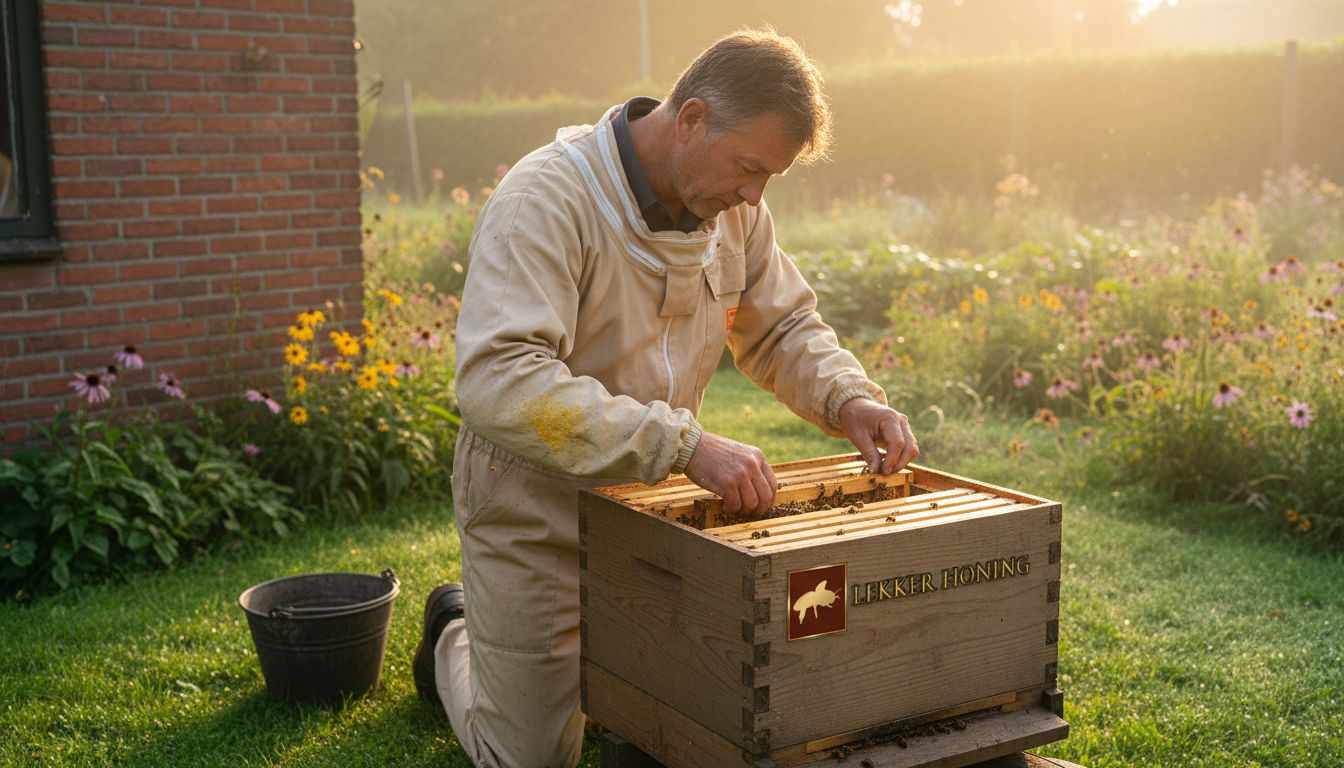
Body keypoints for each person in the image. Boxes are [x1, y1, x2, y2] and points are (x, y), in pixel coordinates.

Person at [413, 27, 919, 768]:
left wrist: (849, 399)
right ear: (690, 119)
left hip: (656, 508)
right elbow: (500, 378)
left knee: (683, 710)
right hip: (534, 505)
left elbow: (779, 327)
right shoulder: (547, 198)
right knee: (530, 759)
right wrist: (683, 445)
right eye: (749, 167)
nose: (754, 195)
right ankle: (455, 633)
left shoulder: (734, 207)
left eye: (769, 177)